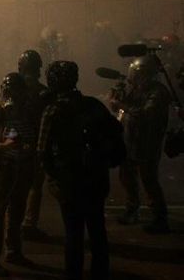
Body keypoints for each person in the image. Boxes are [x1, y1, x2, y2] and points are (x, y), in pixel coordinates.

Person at [40, 61, 125, 280]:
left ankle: (74, 274)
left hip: (68, 181)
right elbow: (116, 133)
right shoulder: (93, 105)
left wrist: (54, 177)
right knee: (98, 230)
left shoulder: (53, 110)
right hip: (96, 178)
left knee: (73, 233)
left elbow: (43, 150)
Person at [0, 73, 36, 277]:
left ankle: (13, 251)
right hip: (1, 168)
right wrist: (1, 147)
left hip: (20, 167)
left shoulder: (24, 113)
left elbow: (22, 135)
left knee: (17, 211)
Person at [110, 55, 171, 233]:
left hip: (147, 143)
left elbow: (146, 114)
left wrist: (123, 104)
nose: (133, 78)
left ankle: (160, 218)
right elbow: (123, 109)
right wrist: (117, 101)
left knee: (149, 180)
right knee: (127, 177)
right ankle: (132, 210)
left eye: (137, 75)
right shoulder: (136, 89)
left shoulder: (158, 92)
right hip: (130, 140)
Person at [18, 50, 51, 240]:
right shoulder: (42, 92)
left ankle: (14, 223)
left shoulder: (13, 88)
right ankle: (29, 224)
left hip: (16, 142)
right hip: (36, 143)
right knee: (35, 186)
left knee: (15, 186)